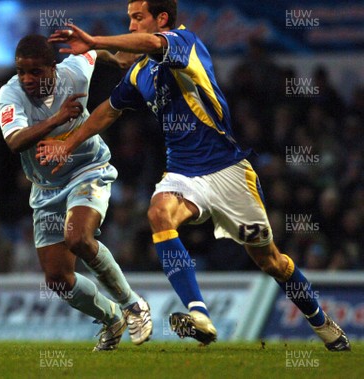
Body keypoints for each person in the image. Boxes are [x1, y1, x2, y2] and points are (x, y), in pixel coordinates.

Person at [39, 0, 350, 351]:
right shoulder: (140, 73)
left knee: (271, 261)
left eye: (137, 18)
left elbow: (153, 43)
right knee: (159, 213)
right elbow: (107, 112)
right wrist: (67, 143)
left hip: (229, 172)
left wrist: (96, 42)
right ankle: (199, 313)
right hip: (183, 174)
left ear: (162, 19)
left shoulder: (185, 43)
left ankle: (322, 323)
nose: (131, 26)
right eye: (128, 19)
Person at [0, 34, 152, 351]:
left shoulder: (74, 72)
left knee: (78, 238)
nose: (26, 79)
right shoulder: (10, 94)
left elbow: (97, 53)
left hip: (87, 170)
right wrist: (57, 119)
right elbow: (14, 142)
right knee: (57, 278)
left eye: (35, 72)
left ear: (52, 67)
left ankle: (133, 305)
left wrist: (119, 56)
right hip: (46, 187)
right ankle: (111, 318)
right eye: (21, 71)